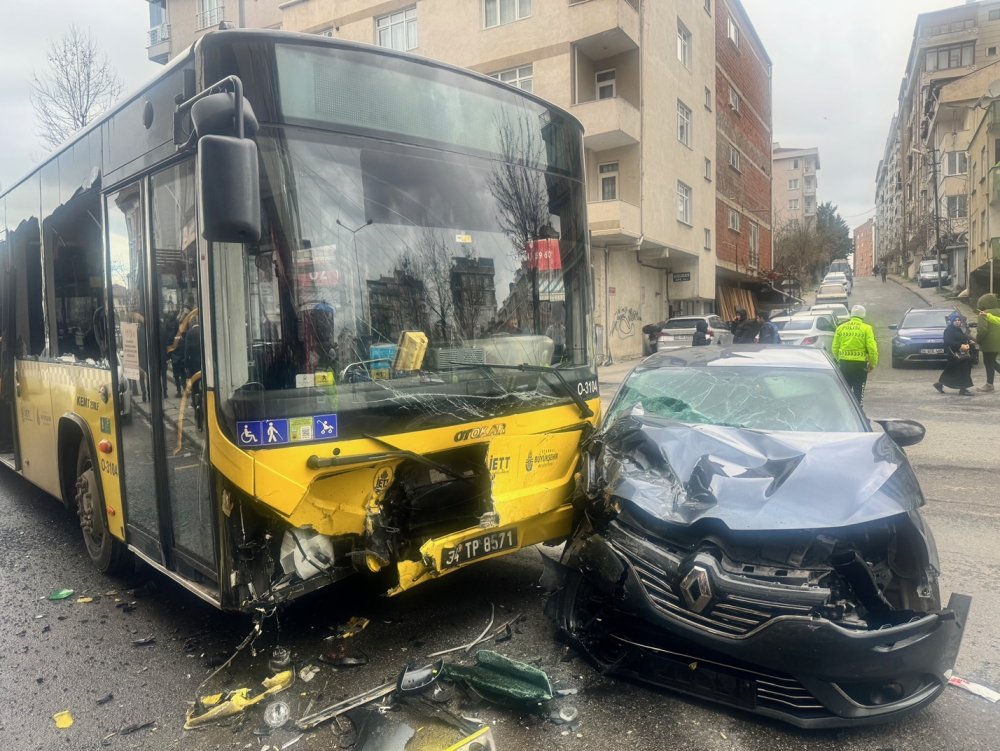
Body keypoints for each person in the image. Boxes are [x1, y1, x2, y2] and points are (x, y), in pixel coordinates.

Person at [832, 304, 878, 405]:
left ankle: (846, 412)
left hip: (844, 364)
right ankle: (858, 413)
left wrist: (839, 360)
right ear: (863, 315)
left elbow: (834, 348)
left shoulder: (840, 328)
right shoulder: (867, 328)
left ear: (851, 315)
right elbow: (872, 348)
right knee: (858, 392)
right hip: (860, 365)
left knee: (845, 392)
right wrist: (872, 363)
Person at [934, 311, 975, 396]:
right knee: (961, 371)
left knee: (954, 371)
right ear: (952, 322)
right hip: (955, 354)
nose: (957, 321)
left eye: (958, 320)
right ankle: (963, 389)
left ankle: (940, 384)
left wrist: (969, 342)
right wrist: (960, 345)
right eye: (955, 320)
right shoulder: (948, 330)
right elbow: (948, 342)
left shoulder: (959, 329)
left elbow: (962, 339)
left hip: (963, 354)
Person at [975, 293, 1000, 393]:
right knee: (992, 362)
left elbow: (982, 330)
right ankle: (989, 384)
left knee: (988, 362)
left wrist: (978, 340)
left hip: (988, 344)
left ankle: (989, 385)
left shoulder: (983, 313)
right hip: (998, 343)